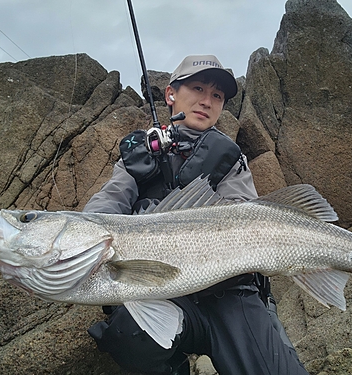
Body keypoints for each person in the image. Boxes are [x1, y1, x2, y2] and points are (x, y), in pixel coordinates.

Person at [85, 55, 308, 375]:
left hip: (231, 294)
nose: (207, 101)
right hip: (162, 291)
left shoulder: (230, 158)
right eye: (198, 88)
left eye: (217, 96)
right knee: (127, 334)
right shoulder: (139, 154)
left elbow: (247, 220)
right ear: (170, 94)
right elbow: (106, 205)